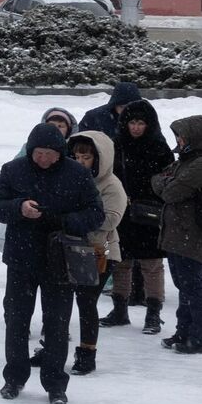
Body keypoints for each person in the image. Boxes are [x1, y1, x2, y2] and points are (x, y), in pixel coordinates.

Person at [0, 122, 101, 404]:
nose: (43, 159)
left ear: (60, 153)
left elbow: (96, 213)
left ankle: (55, 384)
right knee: (16, 320)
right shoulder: (12, 169)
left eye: (49, 154)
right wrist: (19, 208)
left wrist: (63, 220)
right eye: (38, 153)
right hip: (21, 258)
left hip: (60, 259)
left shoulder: (76, 173)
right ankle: (13, 378)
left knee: (57, 324)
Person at [103, 99, 171, 333]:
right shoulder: (116, 146)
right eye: (132, 122)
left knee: (152, 265)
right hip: (122, 212)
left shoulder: (159, 147)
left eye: (141, 123)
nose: (136, 127)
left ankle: (153, 313)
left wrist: (148, 194)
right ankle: (120, 309)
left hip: (149, 214)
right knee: (121, 262)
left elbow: (167, 182)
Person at [154, 117, 202, 354]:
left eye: (181, 136)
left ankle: (201, 338)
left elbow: (170, 192)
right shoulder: (186, 160)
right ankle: (184, 331)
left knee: (192, 286)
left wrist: (167, 183)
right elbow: (158, 180)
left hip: (190, 232)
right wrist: (166, 183)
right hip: (177, 231)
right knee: (184, 286)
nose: (178, 141)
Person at [64, 130, 125, 376]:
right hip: (68, 247)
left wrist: (74, 219)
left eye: (86, 158)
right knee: (60, 301)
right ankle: (52, 346)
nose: (80, 162)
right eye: (77, 156)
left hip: (99, 251)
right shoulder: (66, 178)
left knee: (87, 303)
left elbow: (111, 219)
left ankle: (87, 353)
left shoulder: (111, 185)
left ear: (99, 158)